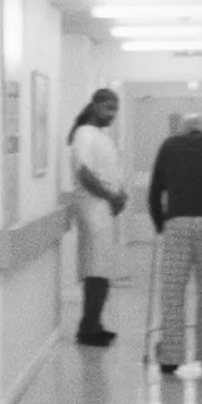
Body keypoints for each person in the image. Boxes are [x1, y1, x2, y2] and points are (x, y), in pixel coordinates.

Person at [147, 112, 202, 375]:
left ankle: (171, 358)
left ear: (183, 129)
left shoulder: (169, 146)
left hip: (178, 223)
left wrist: (161, 223)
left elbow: (155, 190)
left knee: (172, 293)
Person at [68, 88, 127, 346]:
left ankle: (95, 323)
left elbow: (108, 171)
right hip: (93, 210)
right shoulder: (83, 135)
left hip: (103, 209)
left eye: (115, 109)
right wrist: (112, 197)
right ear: (94, 106)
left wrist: (119, 194)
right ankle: (88, 328)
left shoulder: (100, 136)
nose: (112, 114)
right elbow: (85, 175)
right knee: (95, 271)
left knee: (102, 270)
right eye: (107, 108)